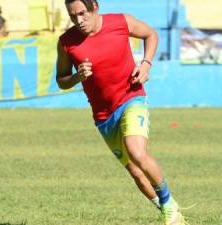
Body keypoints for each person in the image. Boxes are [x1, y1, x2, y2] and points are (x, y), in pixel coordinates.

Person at [56, 1, 188, 224]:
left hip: (131, 98)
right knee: (136, 172)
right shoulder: (66, 42)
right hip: (103, 116)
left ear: (95, 6)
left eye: (82, 13)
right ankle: (170, 214)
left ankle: (169, 204)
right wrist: (77, 77)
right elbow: (61, 80)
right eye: (73, 16)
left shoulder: (120, 22)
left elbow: (151, 35)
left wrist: (145, 64)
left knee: (137, 152)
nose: (79, 21)